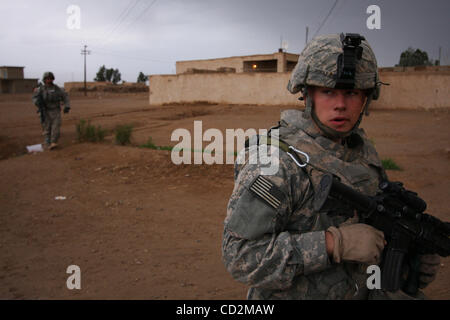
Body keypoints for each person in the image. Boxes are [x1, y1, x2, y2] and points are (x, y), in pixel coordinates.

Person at [222, 33, 441, 300]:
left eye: (351, 93)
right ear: (307, 94)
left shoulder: (361, 150)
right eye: (328, 92)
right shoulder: (275, 161)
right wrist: (332, 243)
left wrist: (408, 260)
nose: (340, 105)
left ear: (366, 98)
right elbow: (241, 255)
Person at [32, 71, 70, 150]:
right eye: (47, 79)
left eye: (50, 78)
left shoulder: (57, 89)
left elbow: (65, 96)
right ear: (44, 80)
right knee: (46, 127)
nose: (49, 80)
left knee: (56, 126)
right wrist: (37, 103)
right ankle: (47, 142)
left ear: (53, 79)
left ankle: (53, 142)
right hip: (44, 111)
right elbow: (34, 98)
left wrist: (67, 106)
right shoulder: (40, 89)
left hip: (55, 110)